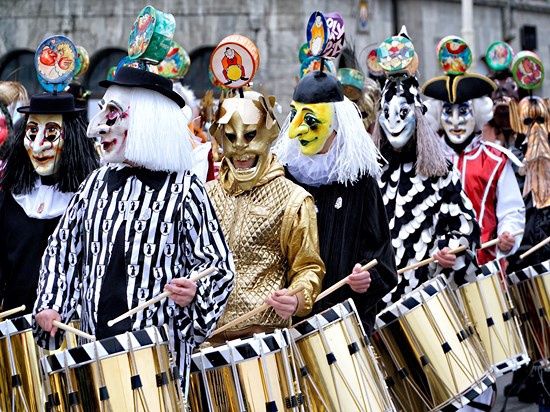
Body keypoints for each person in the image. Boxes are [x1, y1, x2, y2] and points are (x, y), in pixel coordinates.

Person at [33, 66, 235, 386]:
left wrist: (194, 294)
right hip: (95, 354)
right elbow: (62, 250)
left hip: (158, 366)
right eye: (102, 112)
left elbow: (218, 267)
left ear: (146, 121)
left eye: (112, 114)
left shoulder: (185, 190)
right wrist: (52, 305)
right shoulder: (95, 185)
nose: (95, 129)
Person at [273, 69, 397, 335]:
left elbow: (382, 258)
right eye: (294, 116)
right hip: (288, 324)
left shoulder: (359, 181)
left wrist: (367, 279)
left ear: (335, 123)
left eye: (310, 120)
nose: (297, 131)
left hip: (344, 326)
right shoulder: (283, 177)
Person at [370, 29, 480, 306]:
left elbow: (463, 225)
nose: (394, 123)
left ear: (417, 116)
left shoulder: (440, 172)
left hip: (426, 302)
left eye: (403, 114)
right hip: (378, 302)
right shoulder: (371, 176)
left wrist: (450, 248)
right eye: (387, 114)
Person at [207, 90, 324, 341]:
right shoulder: (204, 197)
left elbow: (308, 267)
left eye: (250, 135)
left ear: (269, 134)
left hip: (265, 343)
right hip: (207, 343)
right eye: (230, 137)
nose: (240, 148)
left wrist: (297, 297)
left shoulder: (293, 200)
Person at [423, 37, 525, 266]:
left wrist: (508, 235)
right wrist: (435, 252)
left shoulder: (496, 159)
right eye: (448, 112)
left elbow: (512, 210)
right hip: (438, 276)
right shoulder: (427, 164)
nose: (456, 121)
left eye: (464, 112)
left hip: (485, 269)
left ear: (477, 114)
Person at [0, 91, 98, 314]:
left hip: (70, 323)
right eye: (32, 132)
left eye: (52, 133)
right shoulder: (11, 197)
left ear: (71, 137)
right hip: (15, 324)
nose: (38, 145)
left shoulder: (91, 201)